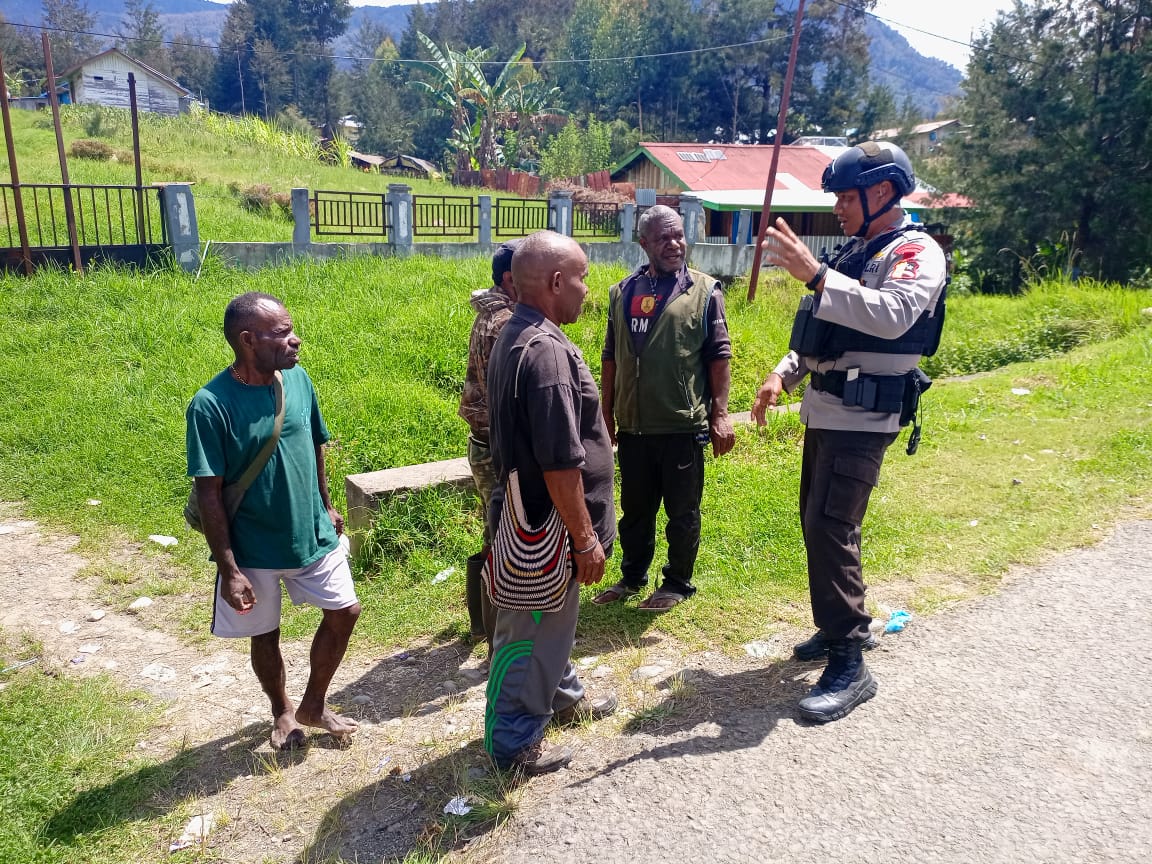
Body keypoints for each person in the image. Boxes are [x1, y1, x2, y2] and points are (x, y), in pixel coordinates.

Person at [751, 141, 947, 723]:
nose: (837, 205)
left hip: (863, 417)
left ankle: (850, 656)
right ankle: (834, 626)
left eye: (844, 195)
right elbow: (822, 329)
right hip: (827, 410)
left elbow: (892, 315)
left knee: (833, 526)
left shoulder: (916, 252)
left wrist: (814, 275)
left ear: (881, 192)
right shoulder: (861, 249)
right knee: (819, 521)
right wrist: (783, 374)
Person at [186, 292, 361, 750]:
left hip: (312, 532)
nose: (295, 340)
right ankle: (282, 711)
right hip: (253, 546)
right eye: (282, 333)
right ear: (248, 340)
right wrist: (229, 569)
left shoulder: (297, 380)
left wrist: (326, 504)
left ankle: (314, 704)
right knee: (265, 634)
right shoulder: (210, 405)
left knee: (346, 611)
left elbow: (316, 445)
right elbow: (209, 492)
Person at [484, 231, 618, 774]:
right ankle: (511, 742)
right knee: (533, 628)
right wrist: (584, 538)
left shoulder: (522, 334)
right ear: (557, 282)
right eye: (583, 278)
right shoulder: (544, 355)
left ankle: (560, 697)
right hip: (548, 526)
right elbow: (561, 462)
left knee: (551, 624)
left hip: (536, 518)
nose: (588, 290)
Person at [593, 205, 735, 612]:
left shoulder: (705, 291)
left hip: (681, 425)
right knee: (635, 511)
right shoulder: (623, 292)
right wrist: (607, 413)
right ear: (644, 244)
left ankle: (677, 582)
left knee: (682, 512)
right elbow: (610, 356)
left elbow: (719, 356)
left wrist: (720, 414)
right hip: (635, 426)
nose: (674, 245)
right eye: (662, 239)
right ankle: (633, 577)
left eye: (678, 236)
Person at [459, 240, 521, 651]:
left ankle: (483, 626)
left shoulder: (493, 314)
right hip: (496, 446)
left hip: (483, 441)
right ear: (510, 279)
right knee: (502, 536)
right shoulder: (505, 322)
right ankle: (497, 633)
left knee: (491, 529)